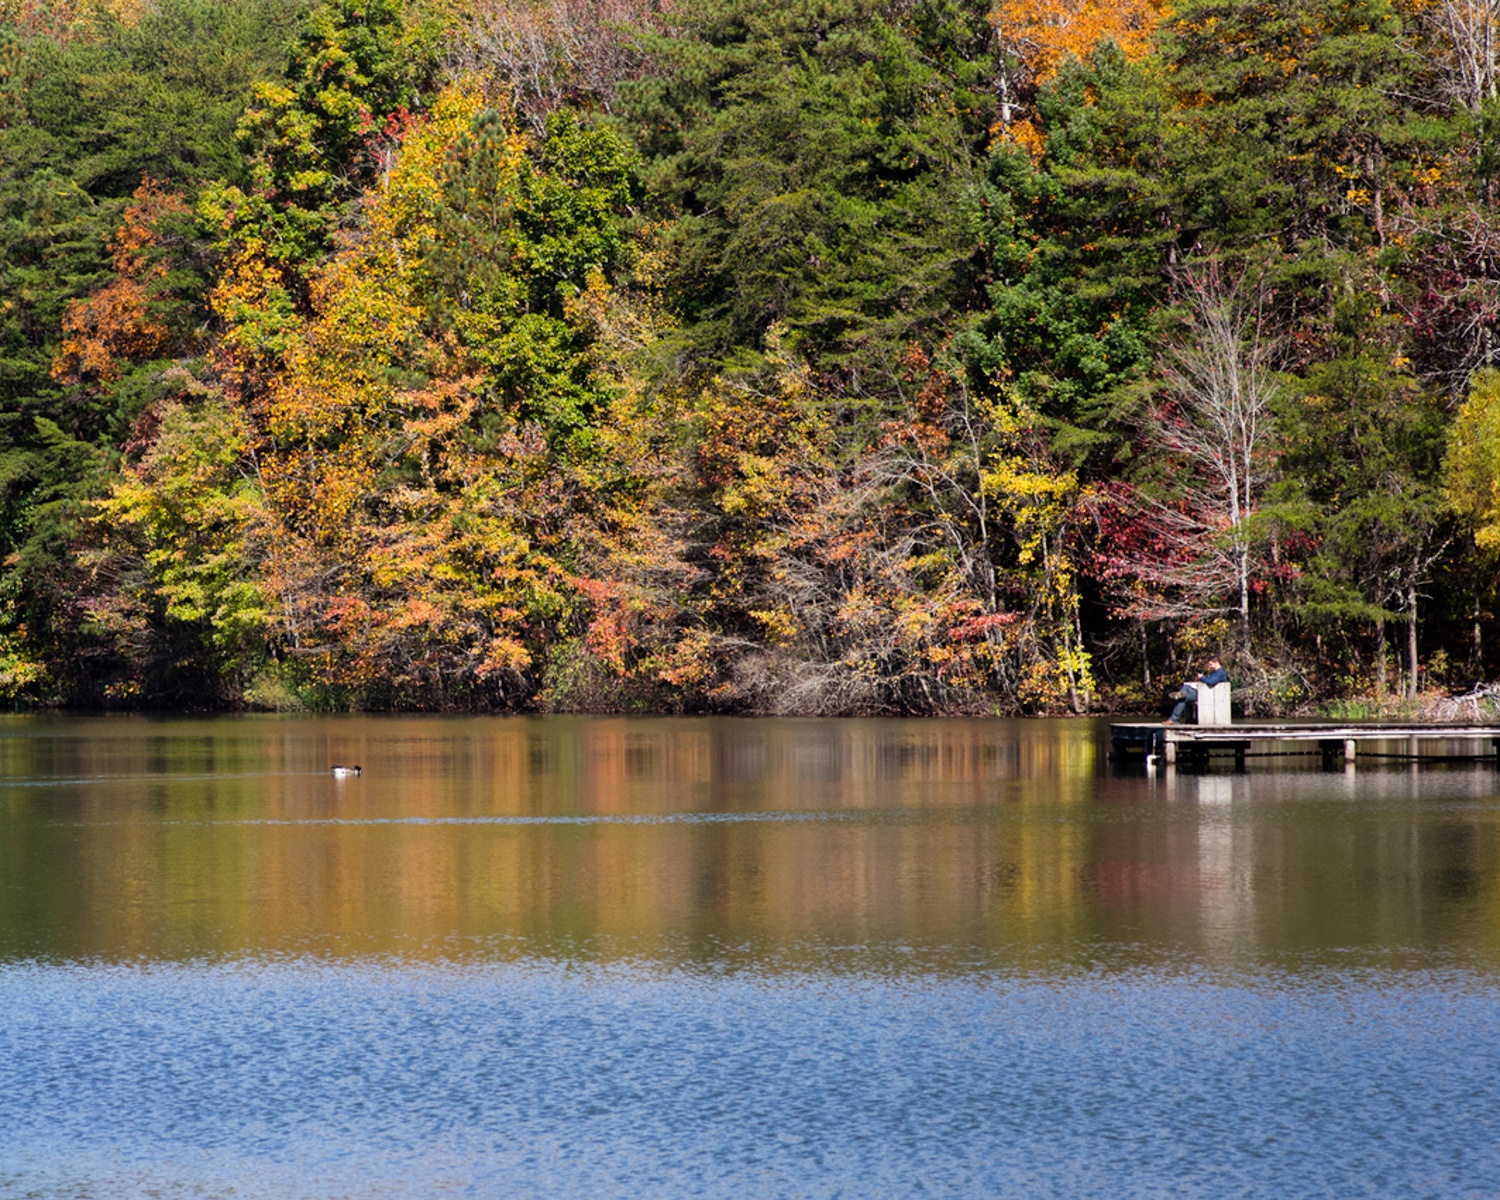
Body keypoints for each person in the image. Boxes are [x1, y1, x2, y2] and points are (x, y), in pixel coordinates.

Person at [1165, 658, 1228, 724]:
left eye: (1210, 664)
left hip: (1209, 695)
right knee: (1186, 687)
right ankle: (1181, 694)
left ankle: (1173, 719)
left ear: (1216, 663)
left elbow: (1211, 682)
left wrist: (1202, 677)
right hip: (1205, 693)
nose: (1209, 666)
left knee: (1183, 699)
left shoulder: (1220, 672)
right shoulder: (1215, 672)